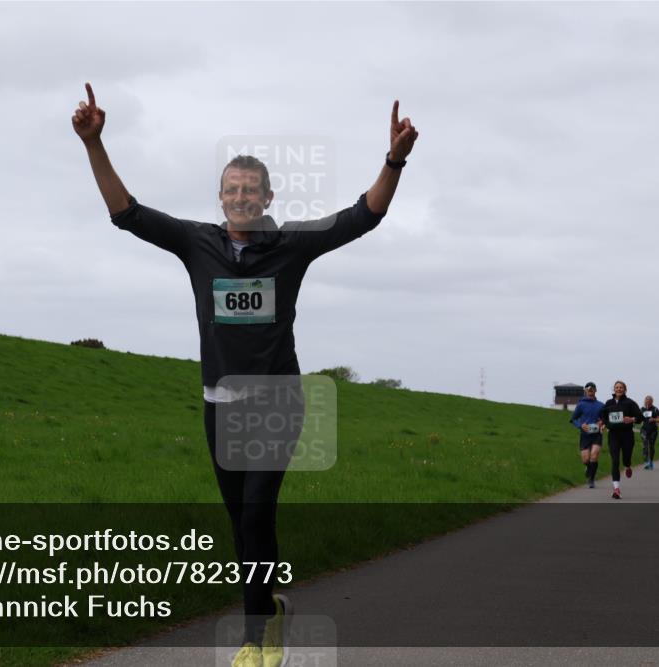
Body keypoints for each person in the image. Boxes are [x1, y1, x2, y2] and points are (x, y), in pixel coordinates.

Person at [72, 82, 418, 667]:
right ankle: (270, 610)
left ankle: (258, 640)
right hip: (218, 405)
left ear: (266, 197)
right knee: (241, 523)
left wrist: (394, 160)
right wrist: (94, 144)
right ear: (221, 197)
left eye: (250, 190)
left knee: (258, 512)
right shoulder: (195, 243)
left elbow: (365, 214)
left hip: (278, 401)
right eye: (231, 189)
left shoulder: (291, 245)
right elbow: (124, 213)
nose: (240, 197)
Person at [597, 380, 643, 500]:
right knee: (615, 461)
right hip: (613, 435)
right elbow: (603, 415)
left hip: (627, 435)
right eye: (617, 387)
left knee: (626, 459)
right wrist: (603, 423)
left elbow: (640, 417)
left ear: (625, 389)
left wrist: (632, 419)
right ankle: (616, 489)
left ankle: (628, 466)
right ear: (614, 389)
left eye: (621, 387)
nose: (618, 389)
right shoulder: (609, 403)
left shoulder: (630, 403)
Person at [570, 382, 604, 488]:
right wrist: (581, 425)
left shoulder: (601, 405)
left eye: (592, 389)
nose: (590, 391)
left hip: (597, 434)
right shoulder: (581, 405)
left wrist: (602, 423)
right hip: (585, 435)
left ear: (595, 391)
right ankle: (589, 468)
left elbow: (605, 418)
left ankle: (591, 480)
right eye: (588, 390)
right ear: (585, 391)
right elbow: (573, 419)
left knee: (594, 455)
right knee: (585, 460)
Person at [639, 395, 659, 470]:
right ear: (645, 401)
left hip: (653, 430)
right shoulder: (642, 409)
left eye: (649, 401)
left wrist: (654, 419)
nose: (647, 402)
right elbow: (638, 418)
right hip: (644, 430)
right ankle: (646, 462)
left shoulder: (655, 409)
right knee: (645, 445)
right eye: (646, 400)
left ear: (652, 401)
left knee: (651, 446)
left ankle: (651, 461)